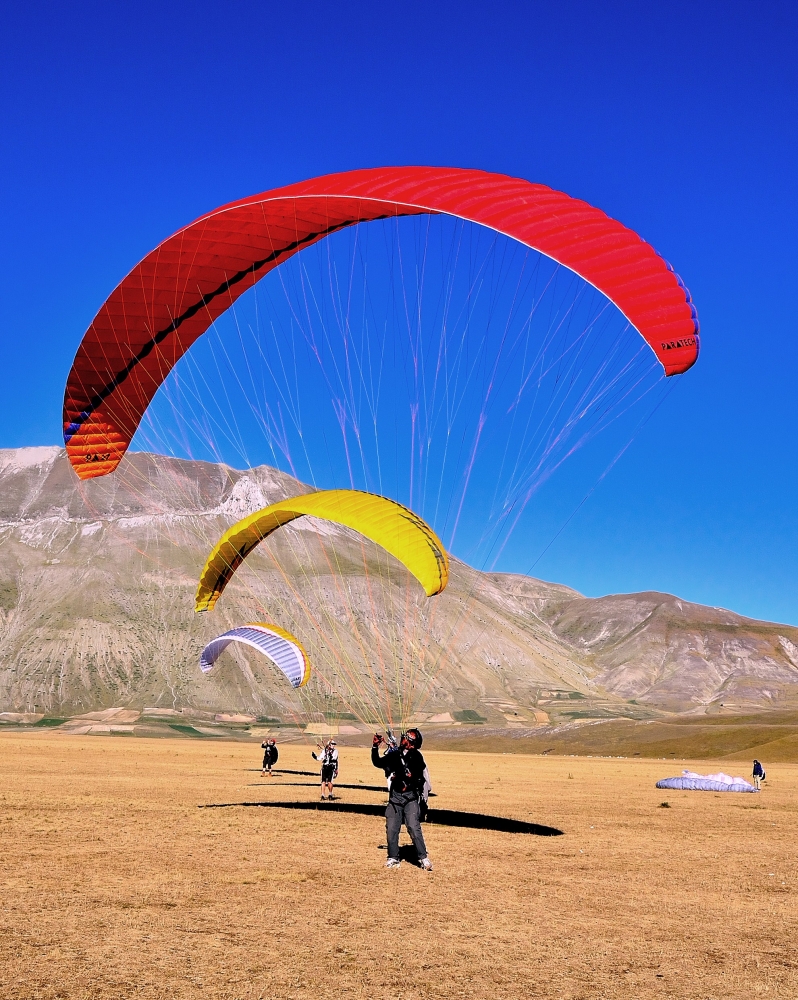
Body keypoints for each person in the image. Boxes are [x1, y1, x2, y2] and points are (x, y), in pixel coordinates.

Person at [372, 728, 433, 871]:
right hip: (395, 799)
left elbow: (420, 778)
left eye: (407, 738)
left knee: (413, 826)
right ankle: (393, 857)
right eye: (405, 736)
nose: (403, 738)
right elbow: (378, 763)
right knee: (392, 828)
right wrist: (375, 747)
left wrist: (409, 783)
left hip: (410, 798)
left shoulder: (417, 757)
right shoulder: (395, 755)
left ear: (412, 744)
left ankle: (423, 857)